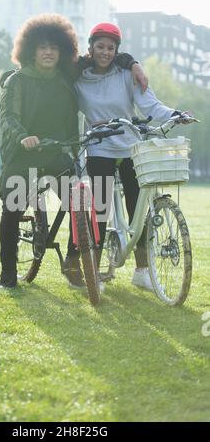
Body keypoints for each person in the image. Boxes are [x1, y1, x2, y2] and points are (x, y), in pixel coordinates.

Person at [0, 14, 148, 289]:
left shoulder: (68, 73)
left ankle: (72, 261)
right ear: (30, 49)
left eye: (54, 47)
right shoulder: (17, 81)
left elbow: (105, 55)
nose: (48, 52)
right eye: (42, 47)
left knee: (81, 204)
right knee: (12, 208)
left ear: (62, 50)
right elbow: (8, 117)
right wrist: (23, 138)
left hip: (57, 154)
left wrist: (134, 64)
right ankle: (7, 274)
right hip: (22, 154)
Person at [74, 22, 190, 291]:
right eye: (100, 47)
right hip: (99, 148)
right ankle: (97, 273)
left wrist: (176, 115)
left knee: (140, 207)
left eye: (111, 48)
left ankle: (142, 271)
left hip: (130, 147)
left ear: (117, 51)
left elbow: (150, 104)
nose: (105, 52)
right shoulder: (78, 80)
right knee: (101, 210)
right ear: (90, 48)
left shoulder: (127, 74)